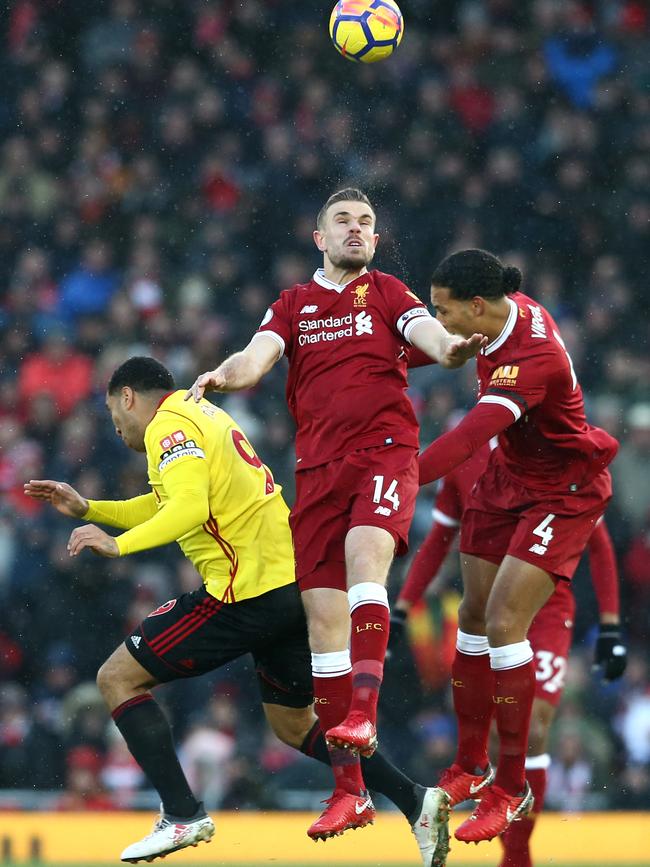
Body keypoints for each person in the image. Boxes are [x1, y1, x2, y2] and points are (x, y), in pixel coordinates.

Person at [25, 355, 452, 867]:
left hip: (242, 593)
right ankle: (415, 801)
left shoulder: (167, 428)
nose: (115, 428)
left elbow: (188, 510)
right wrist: (91, 509)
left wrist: (118, 546)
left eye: (114, 413)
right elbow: (170, 502)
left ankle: (182, 813)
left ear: (128, 396)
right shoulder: (199, 412)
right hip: (290, 586)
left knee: (116, 678)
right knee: (293, 726)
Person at [185, 188, 485, 839]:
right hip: (316, 473)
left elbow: (429, 334)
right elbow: (256, 356)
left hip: (383, 451)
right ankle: (350, 790)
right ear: (319, 237)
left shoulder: (387, 292)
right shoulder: (292, 304)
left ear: (375, 240)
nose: (357, 229)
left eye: (367, 222)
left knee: (362, 570)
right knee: (321, 618)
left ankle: (365, 714)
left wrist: (454, 347)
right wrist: (224, 375)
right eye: (344, 221)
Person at [414, 248, 619, 845]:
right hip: (510, 477)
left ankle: (510, 787)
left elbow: (466, 439)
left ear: (476, 306)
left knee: (506, 623)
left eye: (443, 310)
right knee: (473, 617)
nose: (439, 319)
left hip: (564, 490)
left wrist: (393, 477)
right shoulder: (503, 314)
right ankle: (469, 766)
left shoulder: (532, 359)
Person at [389, 439, 627, 867]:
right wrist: (403, 609)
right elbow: (439, 540)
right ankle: (492, 798)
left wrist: (610, 624)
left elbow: (600, 541)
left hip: (548, 609)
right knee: (497, 731)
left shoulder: (556, 443)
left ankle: (517, 856)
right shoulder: (468, 452)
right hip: (486, 607)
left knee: (534, 725)